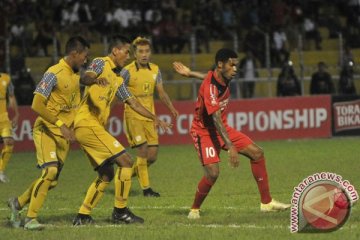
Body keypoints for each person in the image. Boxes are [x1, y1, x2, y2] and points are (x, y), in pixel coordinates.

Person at [172, 49, 290, 220]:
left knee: (257, 153)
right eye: (232, 64)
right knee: (213, 173)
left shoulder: (220, 76)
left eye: (236, 65)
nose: (235, 69)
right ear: (220, 64)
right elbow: (216, 117)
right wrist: (231, 146)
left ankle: (267, 203)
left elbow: (207, 75)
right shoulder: (211, 88)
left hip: (222, 129)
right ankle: (194, 209)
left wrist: (190, 73)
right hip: (203, 132)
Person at [72, 35, 171, 226]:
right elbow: (86, 77)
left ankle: (83, 215)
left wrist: (154, 118)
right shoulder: (101, 63)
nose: (127, 56)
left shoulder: (118, 80)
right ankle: (120, 211)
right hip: (86, 123)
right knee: (126, 161)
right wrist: (93, 80)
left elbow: (133, 102)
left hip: (92, 127)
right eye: (126, 52)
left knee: (107, 173)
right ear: (115, 51)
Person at [7, 36, 103, 230]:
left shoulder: (76, 73)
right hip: (46, 130)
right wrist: (60, 123)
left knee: (51, 181)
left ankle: (17, 203)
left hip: (63, 135)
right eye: (84, 56)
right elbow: (36, 104)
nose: (86, 60)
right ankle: (30, 219)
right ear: (74, 54)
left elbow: (81, 83)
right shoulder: (53, 73)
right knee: (49, 171)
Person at [120, 36, 178, 197]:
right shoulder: (126, 71)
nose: (144, 54)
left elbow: (161, 92)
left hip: (150, 117)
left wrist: (171, 107)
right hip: (133, 116)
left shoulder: (155, 69)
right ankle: (147, 190)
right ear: (134, 54)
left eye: (147, 51)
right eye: (140, 51)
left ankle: (124, 176)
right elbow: (117, 90)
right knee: (143, 151)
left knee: (152, 156)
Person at [0, 72, 19, 183]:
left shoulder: (6, 78)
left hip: (3, 119)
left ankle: (0, 171)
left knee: (9, 142)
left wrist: (16, 114)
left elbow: (11, 97)